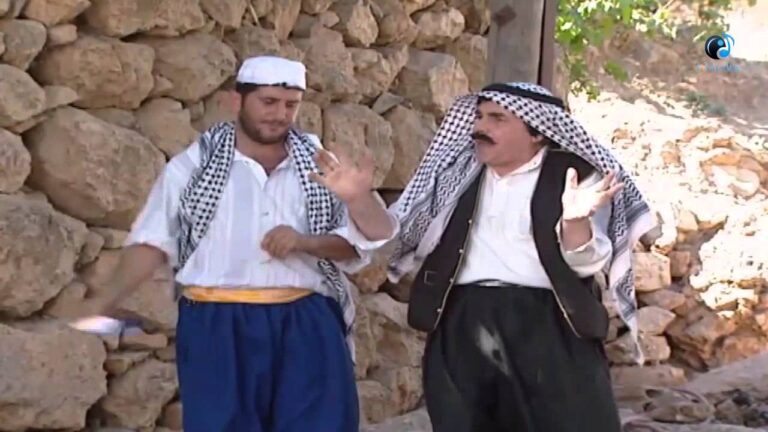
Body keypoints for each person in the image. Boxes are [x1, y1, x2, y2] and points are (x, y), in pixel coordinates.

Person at [81, 55, 397, 431]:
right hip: (216, 325)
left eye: (290, 104)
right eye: (268, 102)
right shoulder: (193, 168)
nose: (279, 114)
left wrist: (328, 223)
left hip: (304, 323)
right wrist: (103, 300)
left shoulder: (319, 166)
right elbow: (152, 242)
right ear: (237, 101)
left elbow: (372, 237)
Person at [386, 82, 658, 432]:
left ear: (537, 132)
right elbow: (406, 232)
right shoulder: (457, 172)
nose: (480, 127)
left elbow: (585, 263)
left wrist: (575, 221)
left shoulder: (573, 174)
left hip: (550, 322)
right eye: (479, 116)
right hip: (463, 319)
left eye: (497, 118)